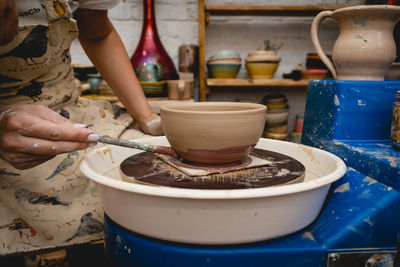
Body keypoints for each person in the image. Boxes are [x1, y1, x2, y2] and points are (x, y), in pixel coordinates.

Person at [0, 0, 163, 256]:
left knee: (147, 174)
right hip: (7, 128)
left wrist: (148, 117)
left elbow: (99, 35)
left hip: (64, 110)